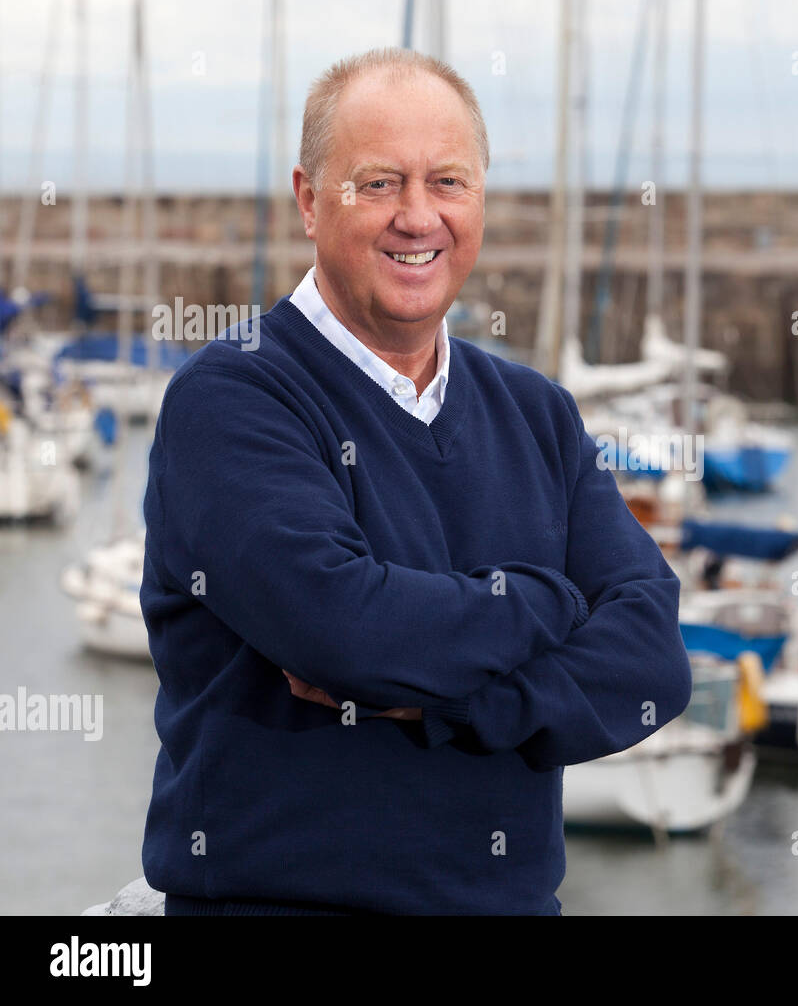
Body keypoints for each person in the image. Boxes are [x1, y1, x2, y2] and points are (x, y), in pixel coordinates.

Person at [139, 47, 693, 916]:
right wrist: (553, 603)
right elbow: (342, 628)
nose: (417, 216)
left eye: (447, 182)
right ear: (309, 201)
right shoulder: (232, 398)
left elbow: (654, 660)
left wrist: (456, 702)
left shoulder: (536, 412)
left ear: (480, 201)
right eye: (378, 183)